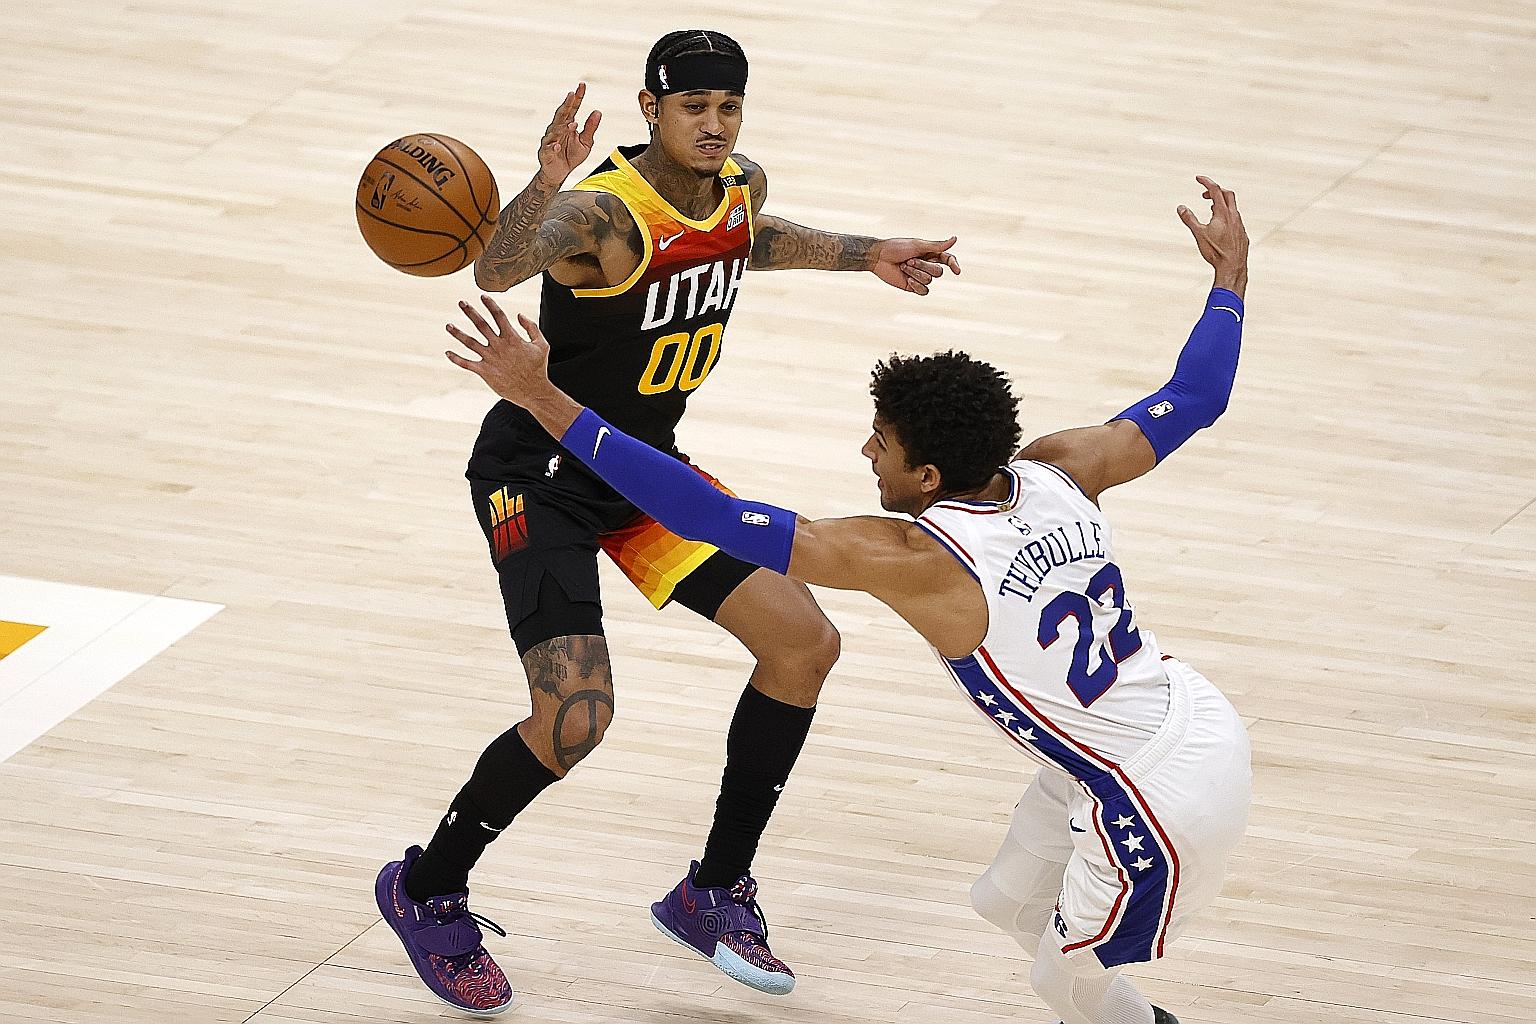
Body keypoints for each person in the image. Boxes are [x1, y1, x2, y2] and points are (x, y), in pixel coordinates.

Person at [442, 176, 1254, 1024]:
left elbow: (705, 514)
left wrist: (542, 397)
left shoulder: (915, 556)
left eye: (886, 442)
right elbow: (1198, 396)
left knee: (1063, 984)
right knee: (1006, 903)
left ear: (929, 477)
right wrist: (1229, 275)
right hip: (1169, 714)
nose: (867, 448)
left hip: (1153, 794)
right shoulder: (1061, 468)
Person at [375, 28, 964, 1015]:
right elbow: (495, 268)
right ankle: (426, 887)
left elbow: (750, 240)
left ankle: (710, 889)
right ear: (650, 111)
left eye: (728, 108)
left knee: (804, 641)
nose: (714, 125)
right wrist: (541, 182)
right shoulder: (598, 213)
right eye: (693, 108)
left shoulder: (739, 183)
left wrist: (867, 255)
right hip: (542, 472)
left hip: (645, 474)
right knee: (575, 717)